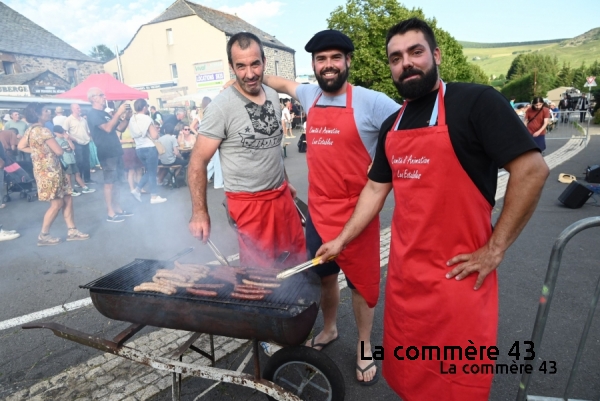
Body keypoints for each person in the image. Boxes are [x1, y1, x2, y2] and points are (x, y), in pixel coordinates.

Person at [315, 18, 548, 400]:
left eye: (415, 52)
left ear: (435, 55)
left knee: (457, 387)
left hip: (460, 281)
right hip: (408, 283)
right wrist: (340, 240)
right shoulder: (392, 125)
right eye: (395, 58)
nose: (405, 63)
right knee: (410, 382)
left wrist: (495, 248)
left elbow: (532, 171)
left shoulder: (475, 102)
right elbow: (375, 189)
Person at [262, 29, 400, 385]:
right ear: (314, 64)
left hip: (358, 215)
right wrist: (249, 73)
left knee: (363, 286)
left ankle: (365, 347)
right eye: (321, 59)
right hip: (319, 213)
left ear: (348, 61)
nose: (328, 65)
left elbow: (407, 129)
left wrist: (384, 161)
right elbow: (279, 82)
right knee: (324, 278)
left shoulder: (373, 101)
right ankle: (329, 329)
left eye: (335, 58)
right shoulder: (309, 94)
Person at [188, 32, 305, 270]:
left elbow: (271, 146)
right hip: (247, 204)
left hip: (281, 196)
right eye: (240, 66)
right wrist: (199, 213)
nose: (249, 74)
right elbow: (197, 162)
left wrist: (286, 181)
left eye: (255, 64)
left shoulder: (272, 95)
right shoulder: (221, 107)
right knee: (260, 276)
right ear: (231, 67)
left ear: (264, 62)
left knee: (296, 263)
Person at [17, 103, 90, 245]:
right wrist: (49, 150)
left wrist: (38, 152)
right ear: (38, 114)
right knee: (57, 203)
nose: (48, 112)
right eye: (45, 111)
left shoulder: (30, 130)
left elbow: (21, 146)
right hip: (51, 171)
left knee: (67, 197)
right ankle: (44, 235)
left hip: (44, 170)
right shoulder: (44, 131)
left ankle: (72, 230)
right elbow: (59, 151)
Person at [86, 88, 134, 223]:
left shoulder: (104, 114)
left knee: (117, 181)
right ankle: (110, 212)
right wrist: (118, 113)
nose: (104, 97)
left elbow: (119, 128)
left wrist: (127, 118)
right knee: (109, 182)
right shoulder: (93, 114)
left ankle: (117, 208)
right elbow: (107, 128)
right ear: (93, 98)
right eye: (101, 95)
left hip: (115, 150)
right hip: (106, 152)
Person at [128, 99, 167, 204]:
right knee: (152, 172)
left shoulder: (132, 119)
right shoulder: (146, 118)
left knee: (150, 171)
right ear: (144, 107)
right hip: (149, 147)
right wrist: (157, 134)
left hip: (139, 148)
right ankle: (153, 196)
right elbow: (154, 136)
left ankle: (137, 190)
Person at [53, 126, 95, 196]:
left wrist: (68, 140)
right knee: (68, 176)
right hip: (65, 161)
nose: (62, 134)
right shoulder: (56, 141)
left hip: (72, 159)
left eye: (63, 132)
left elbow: (73, 147)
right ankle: (70, 190)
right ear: (55, 133)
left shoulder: (65, 138)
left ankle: (84, 187)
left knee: (77, 174)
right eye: (60, 133)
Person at [63, 104, 94, 184]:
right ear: (72, 109)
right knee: (79, 162)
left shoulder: (83, 120)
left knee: (87, 161)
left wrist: (90, 136)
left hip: (86, 142)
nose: (79, 109)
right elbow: (64, 132)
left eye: (79, 108)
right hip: (77, 143)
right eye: (77, 108)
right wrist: (71, 139)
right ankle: (79, 181)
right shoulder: (69, 119)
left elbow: (87, 131)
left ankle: (87, 179)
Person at [118, 125, 143, 192]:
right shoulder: (120, 128)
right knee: (131, 170)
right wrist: (128, 140)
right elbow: (117, 140)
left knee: (139, 169)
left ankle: (140, 187)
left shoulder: (136, 127)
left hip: (136, 148)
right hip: (127, 149)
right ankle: (132, 188)